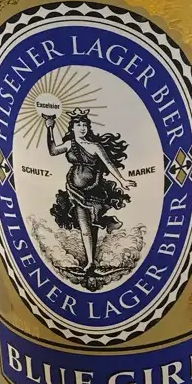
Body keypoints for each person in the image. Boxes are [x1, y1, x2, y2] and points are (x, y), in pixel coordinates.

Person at [45, 109, 130, 278]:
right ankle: (90, 262)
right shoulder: (69, 144)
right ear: (72, 127)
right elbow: (53, 151)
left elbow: (109, 163)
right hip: (76, 192)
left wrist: (122, 181)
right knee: (85, 228)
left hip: (95, 191)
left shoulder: (95, 146)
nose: (82, 128)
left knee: (93, 224)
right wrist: (49, 128)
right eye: (78, 125)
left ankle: (108, 223)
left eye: (85, 124)